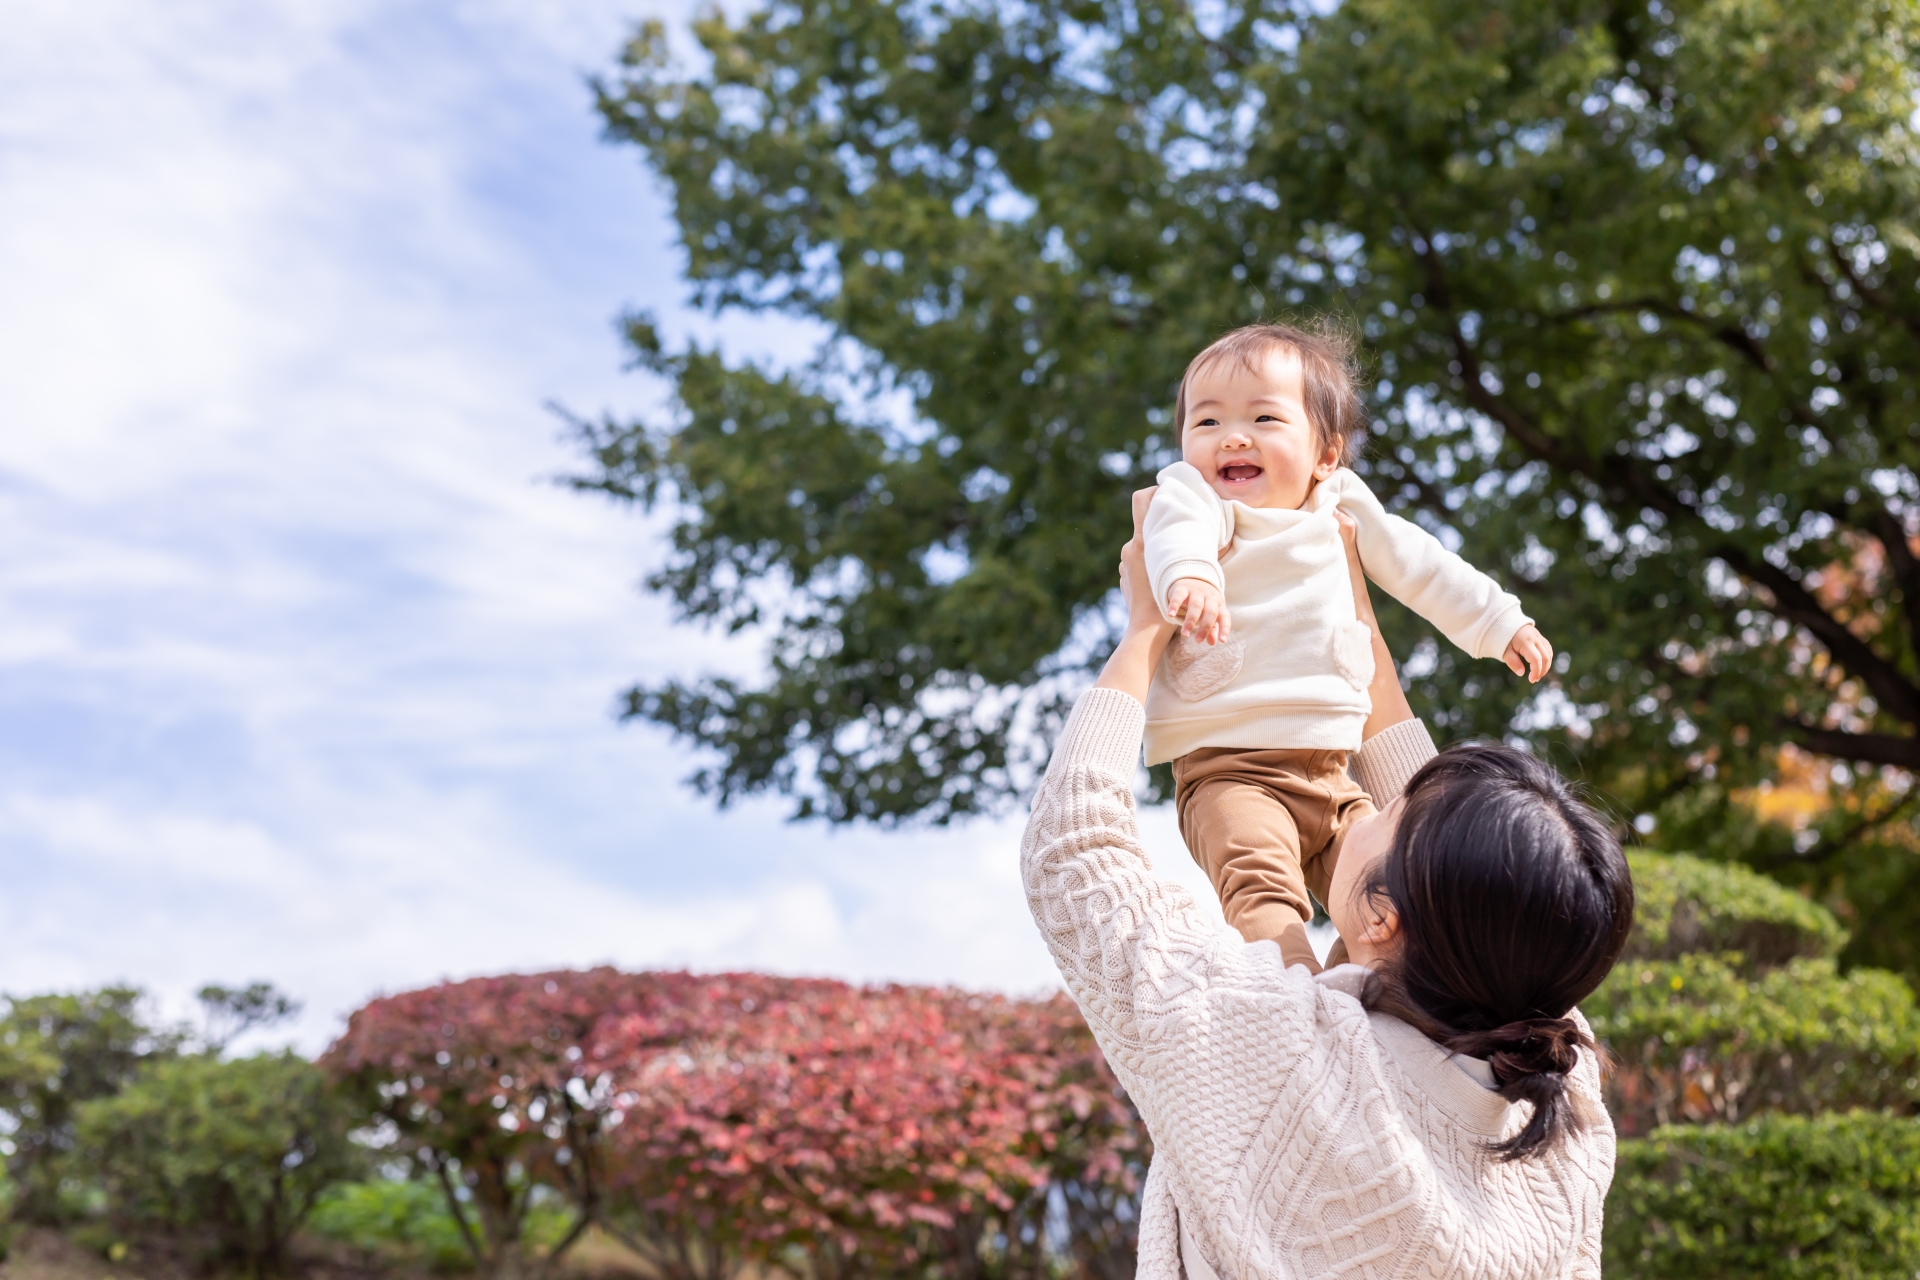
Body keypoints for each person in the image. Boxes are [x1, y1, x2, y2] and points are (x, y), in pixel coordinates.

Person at [1021, 491, 1633, 1279]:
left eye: (1391, 814)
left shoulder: (1269, 1044)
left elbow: (1073, 855)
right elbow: (1485, 890)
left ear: (1382, 915)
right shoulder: (1568, 1118)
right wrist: (1358, 631)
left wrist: (1142, 634)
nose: (1366, 801)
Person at [1141, 322, 1554, 970]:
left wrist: (1499, 621)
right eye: (1207, 421)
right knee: (1261, 889)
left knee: (1402, 901)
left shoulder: (1341, 503)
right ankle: (1289, 988)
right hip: (1229, 770)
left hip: (1333, 773)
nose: (1232, 437)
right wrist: (1189, 577)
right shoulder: (1195, 498)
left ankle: (1354, 994)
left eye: (1264, 417)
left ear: (1326, 455)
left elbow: (1421, 564)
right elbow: (1172, 534)